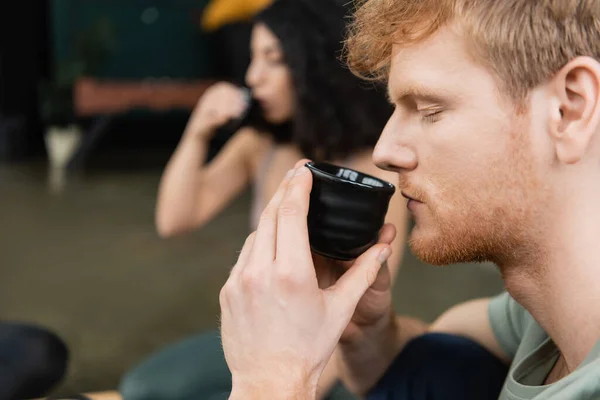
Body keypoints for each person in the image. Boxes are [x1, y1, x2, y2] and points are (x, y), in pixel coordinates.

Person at [217, 0, 600, 399]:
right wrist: (365, 332)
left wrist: (270, 380)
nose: (385, 150)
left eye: (429, 110)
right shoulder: (538, 315)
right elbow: (425, 362)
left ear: (569, 108)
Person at [120, 1, 408, 399]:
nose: (253, 77)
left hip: (338, 349)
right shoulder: (260, 145)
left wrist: (289, 386)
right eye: (252, 58)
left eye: (273, 60)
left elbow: (358, 311)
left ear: (316, 66)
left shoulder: (376, 171)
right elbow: (175, 220)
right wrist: (198, 131)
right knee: (142, 388)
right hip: (268, 332)